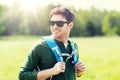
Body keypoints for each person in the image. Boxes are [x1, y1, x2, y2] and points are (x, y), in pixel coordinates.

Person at [19, 7, 85, 80]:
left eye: (59, 23)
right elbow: (22, 75)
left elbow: (72, 74)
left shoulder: (73, 46)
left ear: (70, 25)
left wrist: (79, 72)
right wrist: (51, 71)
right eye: (52, 23)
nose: (55, 26)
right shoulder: (40, 46)